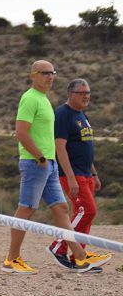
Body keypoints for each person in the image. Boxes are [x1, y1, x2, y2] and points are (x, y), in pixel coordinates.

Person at [3, 61, 108, 274]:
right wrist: (40, 158)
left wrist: (48, 161)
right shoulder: (30, 98)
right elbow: (21, 132)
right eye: (45, 73)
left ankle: (79, 257)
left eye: (52, 73)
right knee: (27, 208)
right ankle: (12, 259)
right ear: (33, 75)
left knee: (60, 208)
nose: (50, 77)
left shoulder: (44, 100)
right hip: (35, 163)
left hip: (48, 164)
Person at [47, 78, 112, 267]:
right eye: (81, 93)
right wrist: (70, 177)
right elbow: (60, 148)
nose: (86, 96)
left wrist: (94, 173)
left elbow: (86, 147)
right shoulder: (63, 114)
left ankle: (79, 257)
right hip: (72, 174)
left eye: (88, 93)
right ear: (70, 94)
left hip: (86, 173)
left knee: (83, 214)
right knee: (88, 211)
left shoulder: (82, 115)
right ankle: (58, 246)